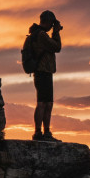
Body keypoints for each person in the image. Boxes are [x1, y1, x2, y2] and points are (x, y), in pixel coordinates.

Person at [29, 10, 62, 141]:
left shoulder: (38, 34)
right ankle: (39, 133)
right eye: (52, 23)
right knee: (43, 103)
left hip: (45, 72)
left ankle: (45, 132)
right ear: (48, 21)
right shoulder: (41, 35)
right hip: (42, 72)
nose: (52, 26)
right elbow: (57, 47)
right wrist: (57, 31)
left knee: (48, 103)